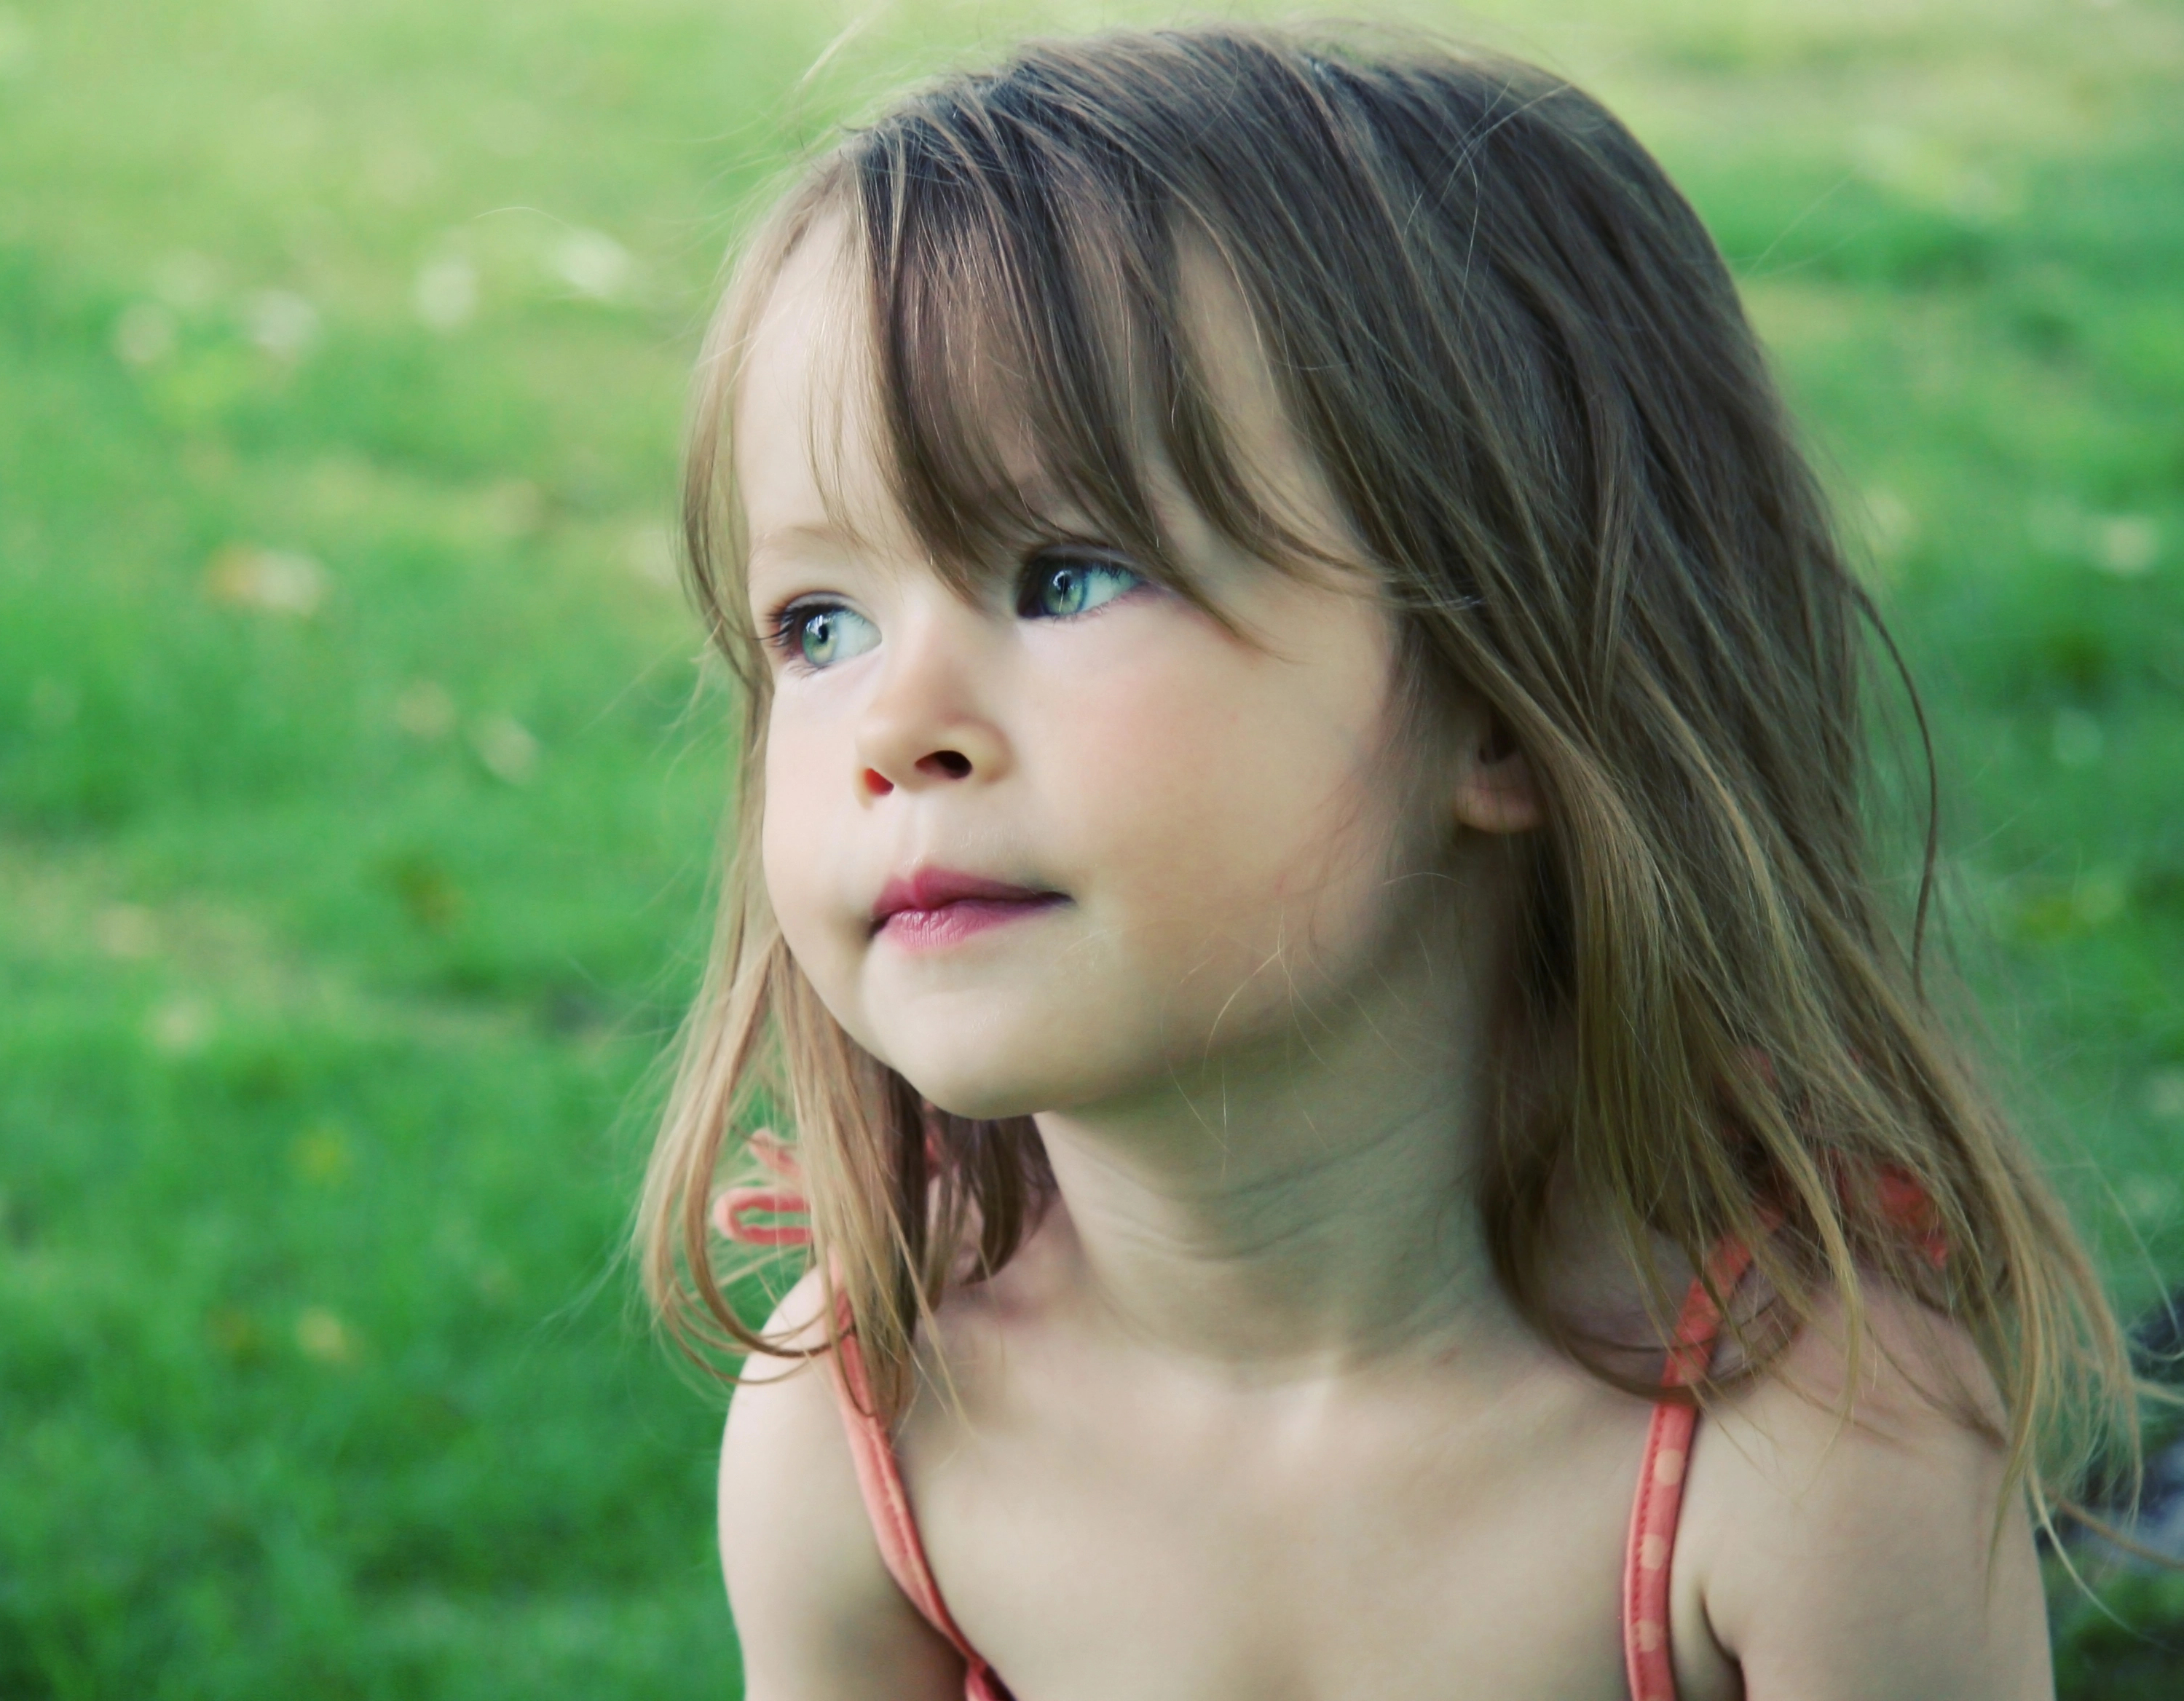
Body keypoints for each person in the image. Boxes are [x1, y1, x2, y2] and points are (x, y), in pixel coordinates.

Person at [638, 22, 2144, 1700]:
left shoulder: (1809, 1460)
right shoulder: (870, 1418)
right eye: (817, 621)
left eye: (1067, 575)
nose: (893, 724)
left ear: (1502, 705)